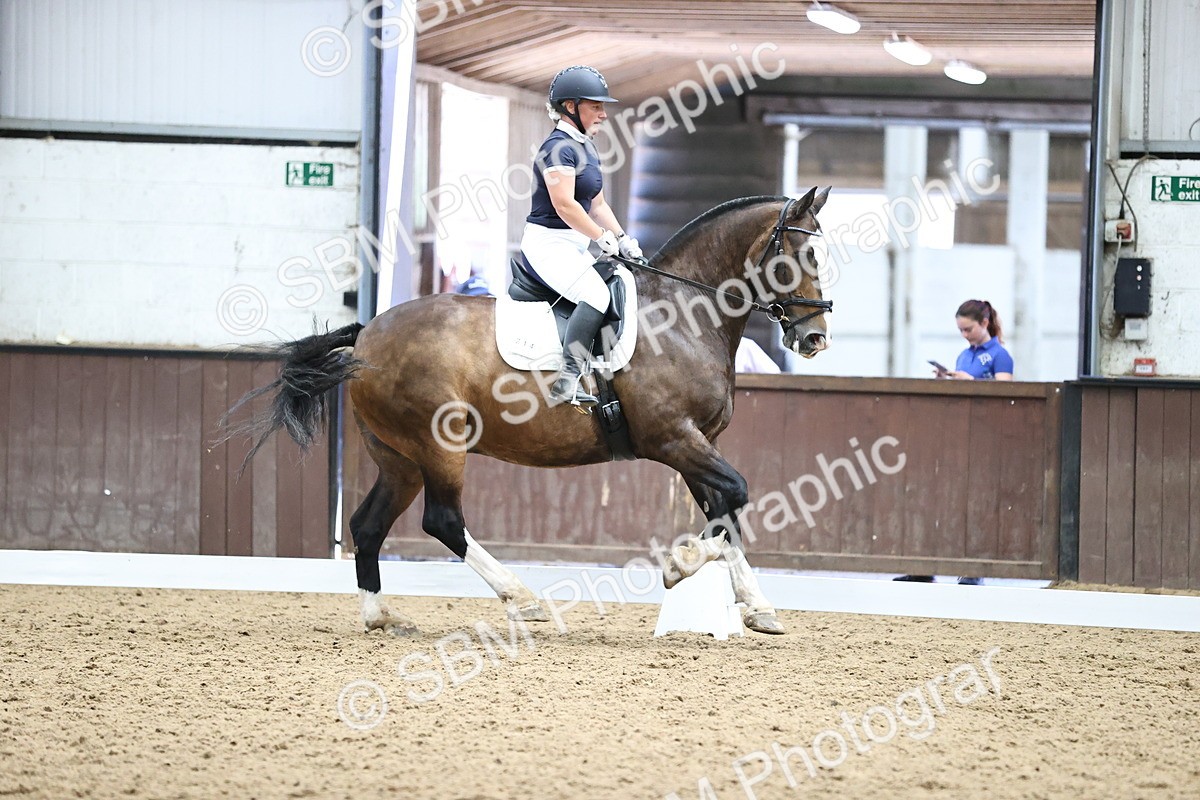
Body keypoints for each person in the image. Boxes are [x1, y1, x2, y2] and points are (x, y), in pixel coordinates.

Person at [521, 65, 642, 406]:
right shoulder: (557, 148)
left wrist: (621, 237)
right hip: (548, 242)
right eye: (595, 106)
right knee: (597, 295)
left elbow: (597, 202)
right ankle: (567, 379)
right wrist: (600, 237)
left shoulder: (585, 146)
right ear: (570, 107)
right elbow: (565, 205)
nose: (603, 114)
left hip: (573, 243)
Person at [933, 299, 1014, 381]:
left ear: (984, 323)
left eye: (968, 329)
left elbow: (1005, 390)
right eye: (961, 330)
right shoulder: (964, 355)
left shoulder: (1000, 355)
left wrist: (971, 381)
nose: (964, 335)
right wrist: (943, 380)